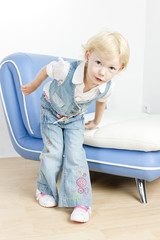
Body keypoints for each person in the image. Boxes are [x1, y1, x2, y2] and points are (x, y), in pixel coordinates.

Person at [21, 31, 129, 223]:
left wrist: (96, 122)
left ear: (120, 69)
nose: (102, 72)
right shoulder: (66, 70)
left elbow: (101, 102)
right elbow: (47, 69)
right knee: (53, 151)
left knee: (75, 154)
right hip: (51, 112)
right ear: (88, 56)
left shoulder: (106, 86)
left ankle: (80, 202)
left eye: (111, 67)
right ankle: (44, 189)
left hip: (74, 118)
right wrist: (33, 85)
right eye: (98, 63)